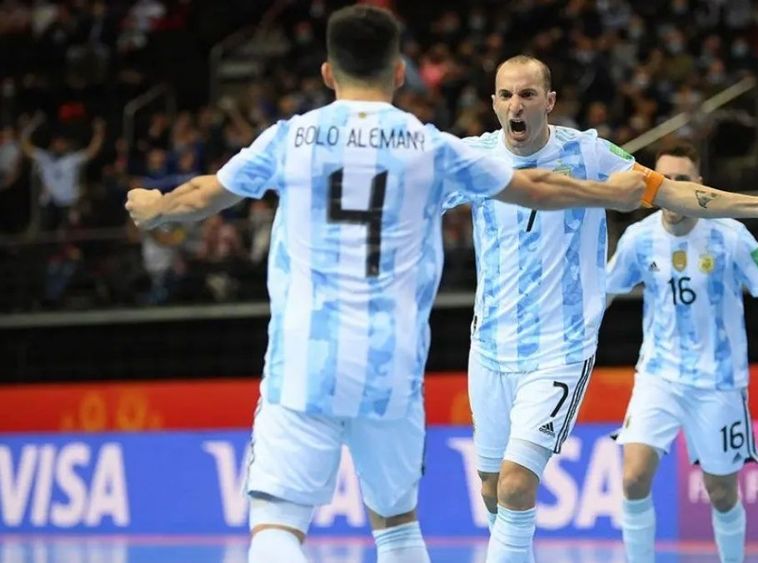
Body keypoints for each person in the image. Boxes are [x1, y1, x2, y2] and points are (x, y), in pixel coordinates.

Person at [123, 6, 653, 563]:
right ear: (400, 73)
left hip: (305, 360)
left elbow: (207, 194)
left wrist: (158, 207)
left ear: (328, 74)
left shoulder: (291, 137)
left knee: (277, 527)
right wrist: (608, 195)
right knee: (397, 528)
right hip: (391, 367)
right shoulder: (430, 146)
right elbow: (537, 186)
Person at [446, 56, 758, 563]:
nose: (516, 105)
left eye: (527, 94)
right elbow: (405, 194)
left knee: (514, 488)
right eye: (506, 95)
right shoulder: (474, 158)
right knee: (491, 491)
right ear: (493, 103)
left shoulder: (590, 154)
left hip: (559, 350)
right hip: (488, 349)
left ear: (548, 102)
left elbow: (673, 192)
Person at [607, 140, 758, 563]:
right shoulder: (638, 239)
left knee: (721, 492)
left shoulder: (730, 235)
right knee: (633, 478)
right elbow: (602, 297)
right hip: (658, 377)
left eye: (682, 179)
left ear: (699, 183)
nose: (672, 186)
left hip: (719, 383)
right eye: (664, 178)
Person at [20, 115, 105, 230]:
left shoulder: (72, 159)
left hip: (68, 204)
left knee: (68, 234)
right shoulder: (44, 158)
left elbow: (92, 151)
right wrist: (29, 128)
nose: (59, 145)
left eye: (62, 142)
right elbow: (25, 147)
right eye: (57, 142)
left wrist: (99, 132)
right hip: (49, 204)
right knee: (45, 235)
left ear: (67, 144)